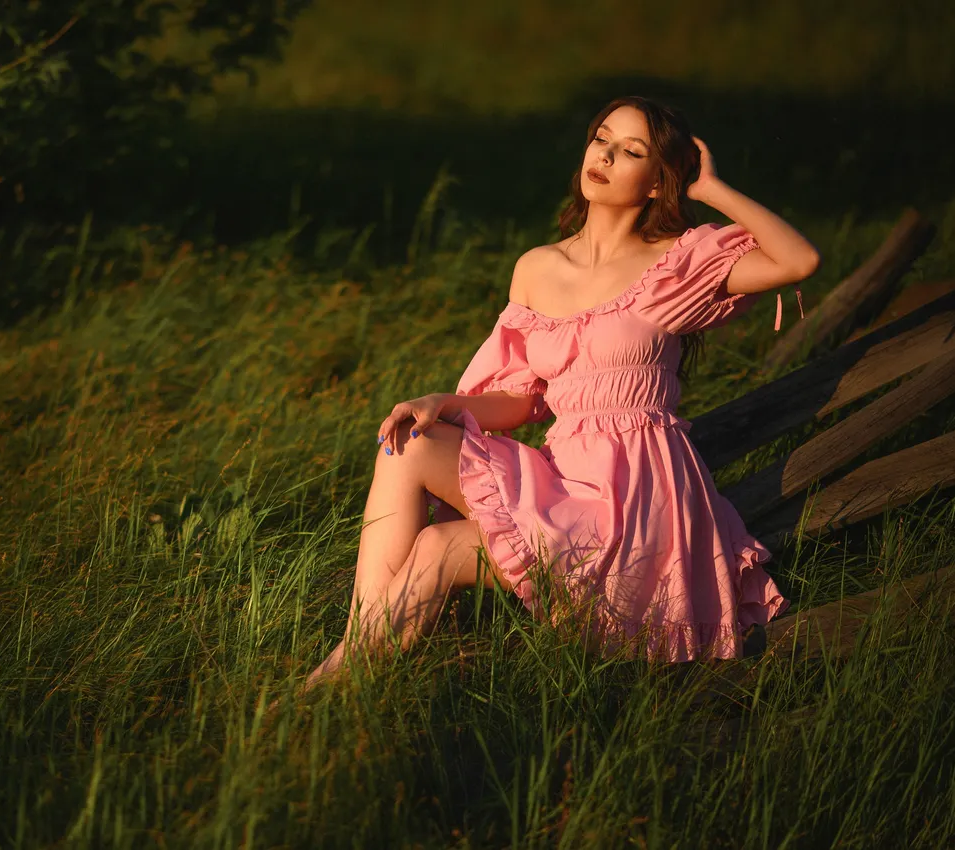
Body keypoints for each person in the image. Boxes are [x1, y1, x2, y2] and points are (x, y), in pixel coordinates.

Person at [300, 95, 820, 692]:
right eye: (601, 138)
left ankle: (337, 685)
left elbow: (799, 259)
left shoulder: (676, 266)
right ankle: (354, 662)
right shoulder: (538, 267)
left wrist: (712, 189)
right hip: (562, 477)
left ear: (657, 182)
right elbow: (522, 402)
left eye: (631, 151)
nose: (605, 155)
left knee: (441, 548)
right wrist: (443, 403)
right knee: (406, 444)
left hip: (635, 499)